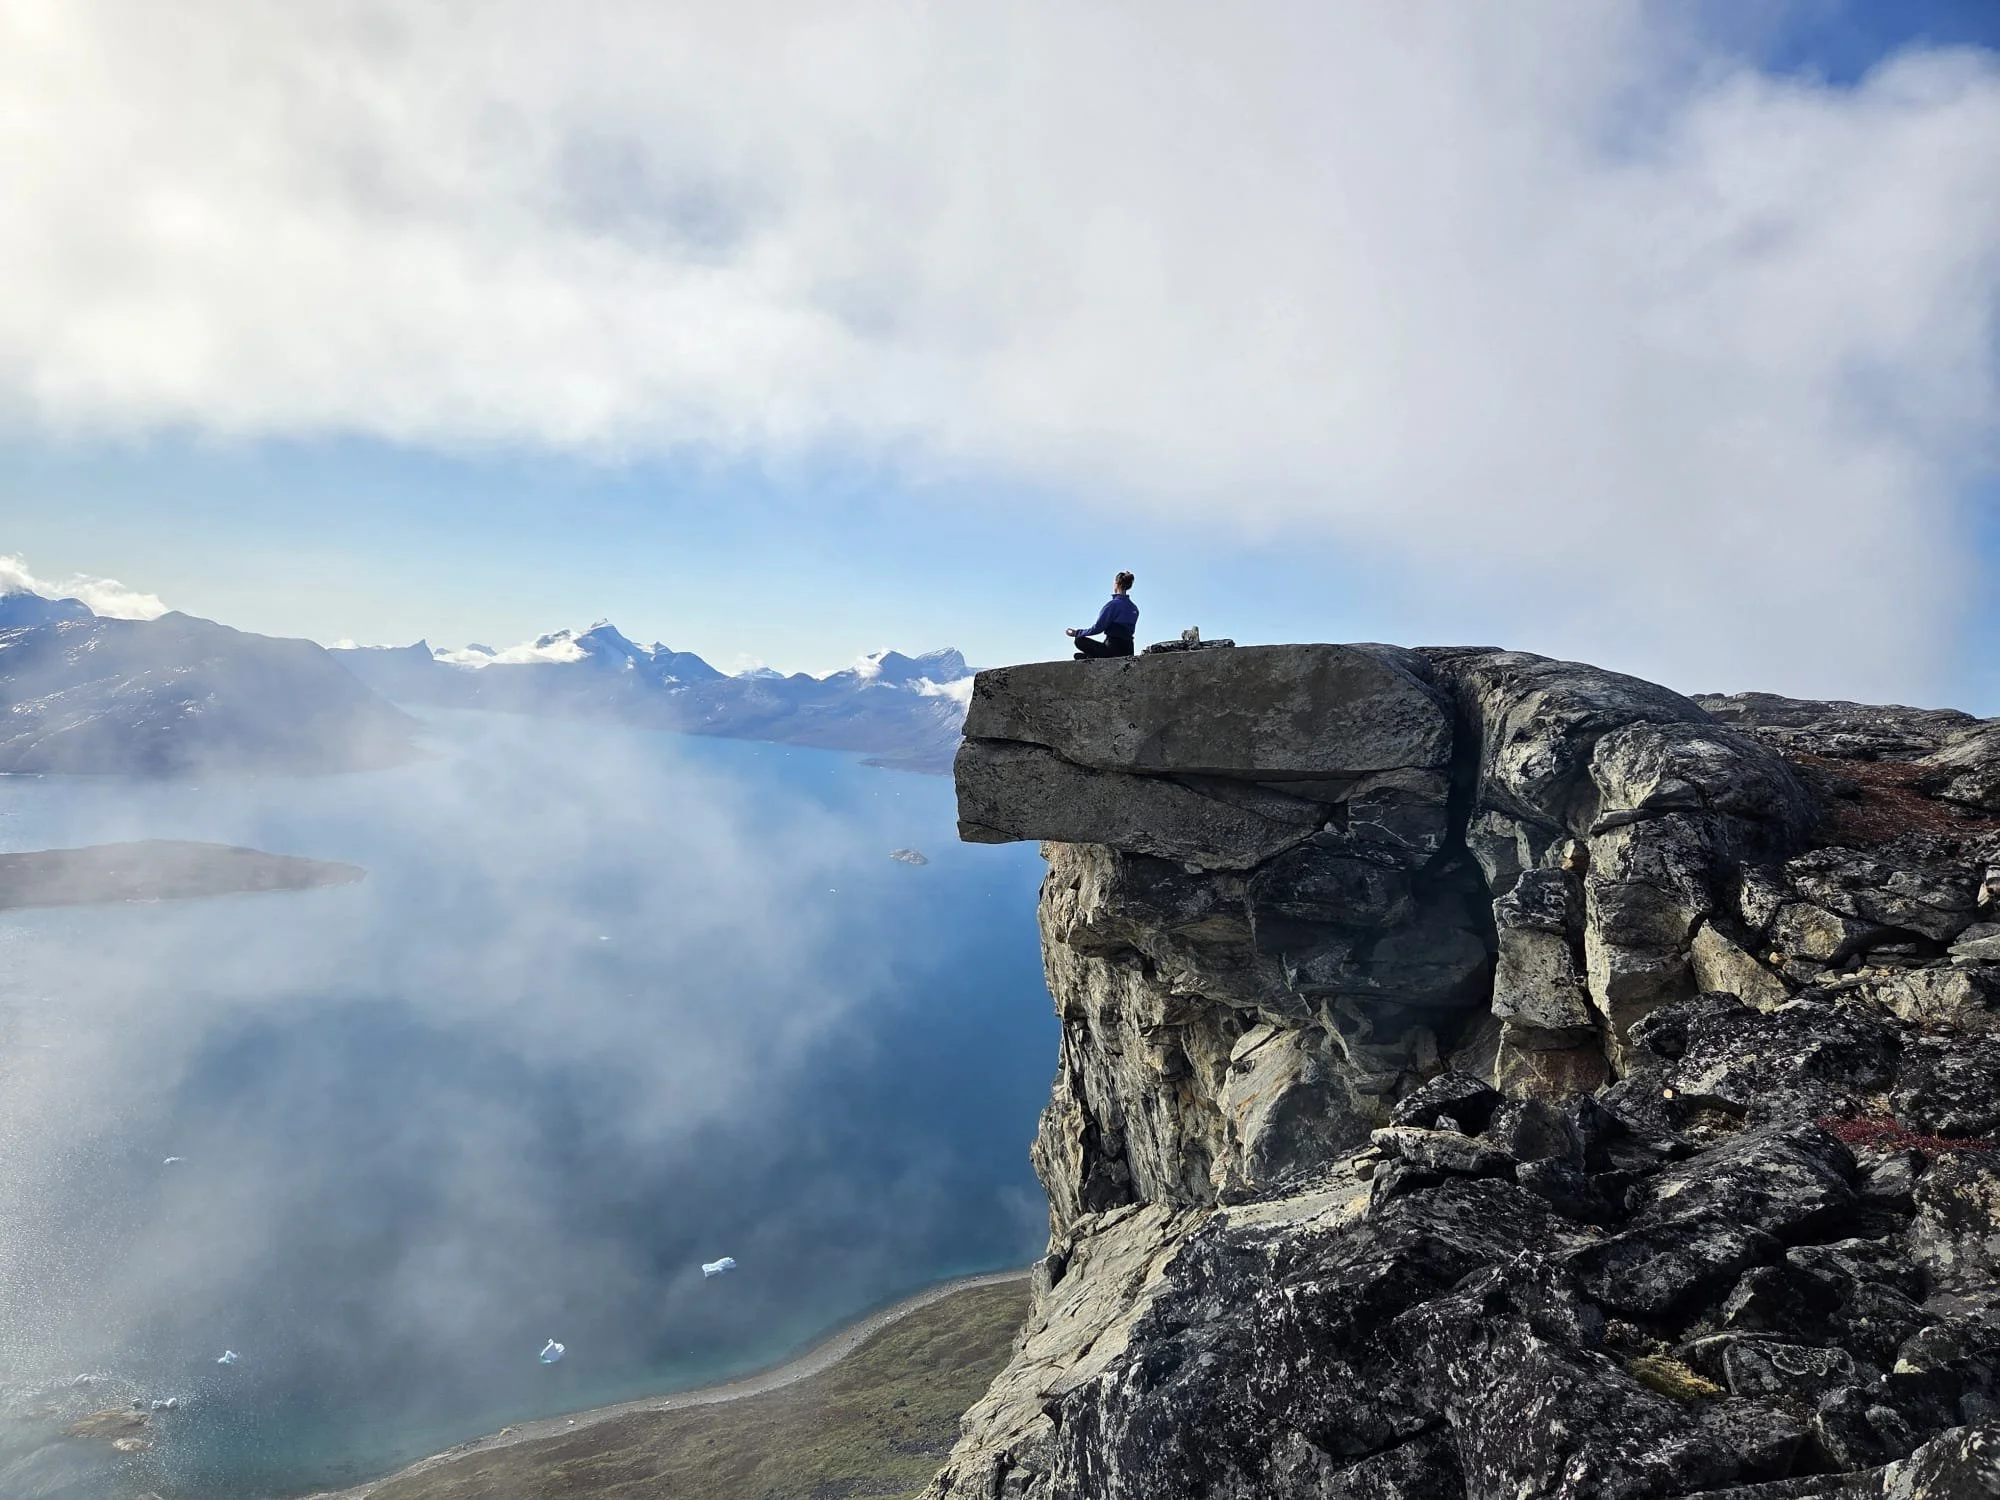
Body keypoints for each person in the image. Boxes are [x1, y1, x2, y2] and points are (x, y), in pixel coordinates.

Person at [1067, 572, 1139, 658]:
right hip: (1129, 650)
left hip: (1112, 650)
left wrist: (1077, 633)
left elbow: (1098, 628)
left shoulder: (1113, 605)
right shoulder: (1134, 608)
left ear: (1116, 584)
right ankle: (1091, 656)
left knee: (1079, 640)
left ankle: (1091, 657)